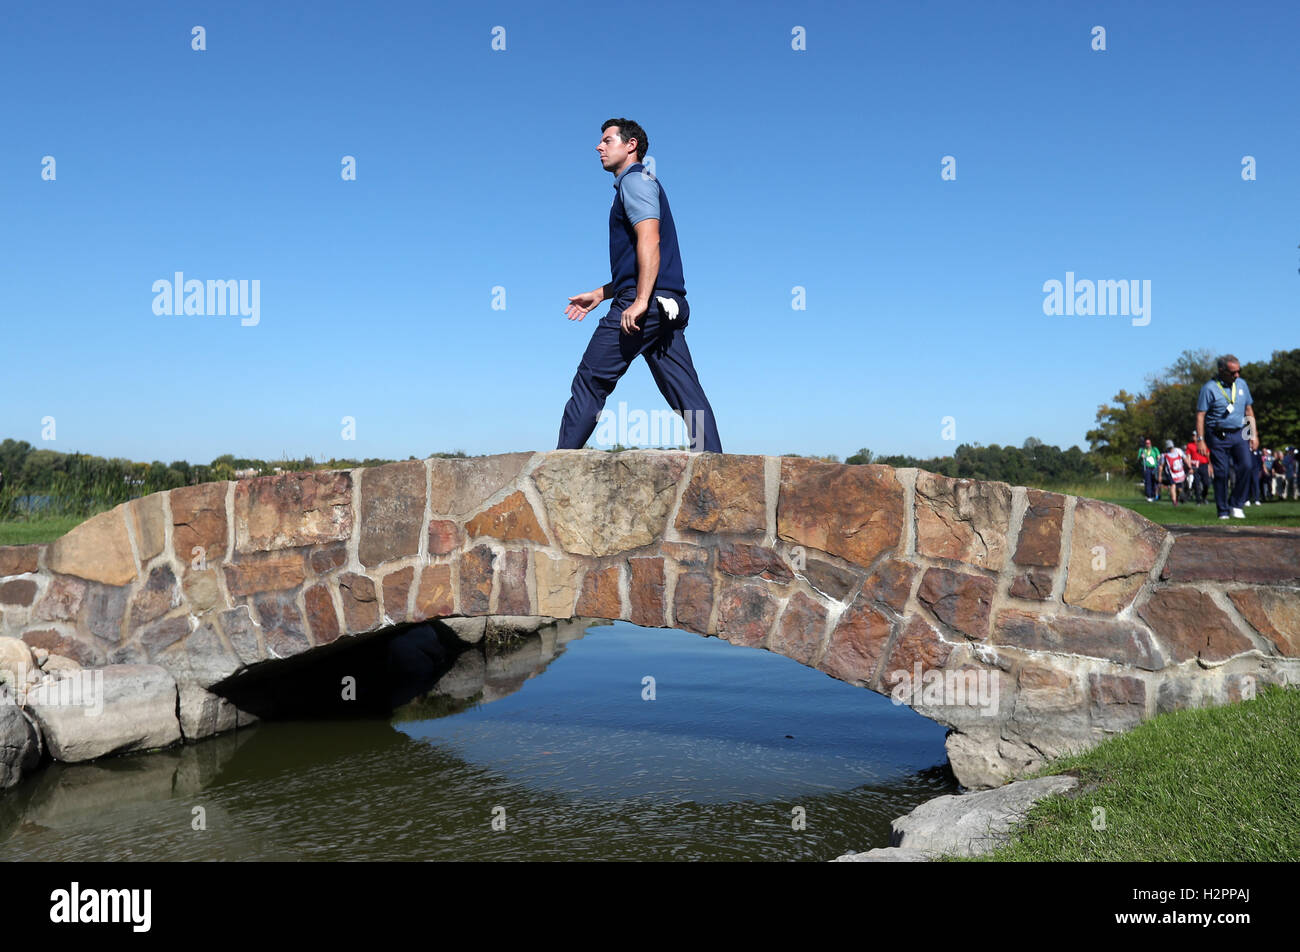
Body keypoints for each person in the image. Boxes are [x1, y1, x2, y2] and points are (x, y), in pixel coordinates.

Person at [556, 118, 723, 454]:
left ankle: (556, 466)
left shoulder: (636, 181)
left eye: (607, 140)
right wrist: (602, 294)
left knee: (591, 380)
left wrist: (640, 300)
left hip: (644, 304)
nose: (598, 147)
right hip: (668, 303)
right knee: (686, 394)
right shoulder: (641, 184)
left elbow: (650, 239)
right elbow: (639, 260)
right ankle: (714, 466)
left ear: (630, 145)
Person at [1195, 354, 1258, 519]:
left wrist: (1253, 435)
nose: (1236, 375)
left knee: (1247, 466)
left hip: (1239, 432)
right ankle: (1223, 510)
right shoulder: (1209, 388)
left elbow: (1249, 411)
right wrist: (1200, 440)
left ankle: (1236, 504)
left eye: (1239, 371)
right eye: (1232, 372)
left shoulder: (1242, 384)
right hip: (1217, 434)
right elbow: (1201, 415)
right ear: (1221, 371)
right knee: (1221, 472)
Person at [1158, 439, 1187, 505]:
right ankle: (1174, 502)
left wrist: (1189, 467)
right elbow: (1161, 466)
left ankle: (1179, 497)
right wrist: (1160, 475)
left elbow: (1185, 459)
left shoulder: (1178, 451)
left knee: (1179, 488)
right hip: (1170, 473)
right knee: (1173, 485)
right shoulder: (1164, 455)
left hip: (1179, 473)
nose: (1170, 449)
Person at [1185, 430, 1210, 504]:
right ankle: (1198, 500)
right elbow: (1188, 456)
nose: (1193, 437)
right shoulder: (1190, 445)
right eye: (1193, 435)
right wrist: (1189, 467)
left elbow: (1208, 455)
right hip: (1194, 466)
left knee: (1206, 483)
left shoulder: (1204, 444)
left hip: (1204, 465)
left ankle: (1204, 497)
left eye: (1195, 435)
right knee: (1196, 483)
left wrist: (1210, 465)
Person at [1138, 438, 1160, 502]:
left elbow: (1158, 457)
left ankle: (1154, 495)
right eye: (1146, 443)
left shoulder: (1154, 449)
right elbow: (1138, 458)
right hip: (1147, 468)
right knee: (1148, 482)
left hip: (1154, 468)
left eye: (1149, 443)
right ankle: (1149, 495)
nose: (1148, 444)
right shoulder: (1142, 450)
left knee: (1155, 482)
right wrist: (1141, 457)